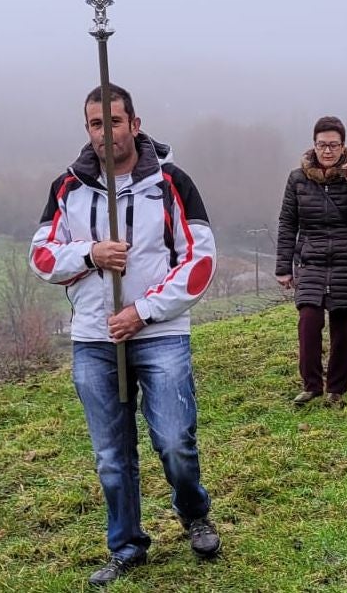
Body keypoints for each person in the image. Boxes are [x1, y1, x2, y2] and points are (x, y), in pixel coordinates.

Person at [29, 85, 219, 586]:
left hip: (160, 333)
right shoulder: (67, 187)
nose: (105, 132)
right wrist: (91, 253)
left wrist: (144, 310)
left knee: (175, 440)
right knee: (112, 457)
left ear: (135, 124)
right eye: (95, 124)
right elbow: (42, 256)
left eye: (114, 121)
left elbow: (200, 261)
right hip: (94, 338)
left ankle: (193, 510)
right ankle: (127, 545)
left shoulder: (171, 182)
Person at [276, 116, 347, 409]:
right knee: (308, 323)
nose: (327, 151)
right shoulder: (298, 178)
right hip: (311, 261)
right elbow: (288, 223)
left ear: (343, 146)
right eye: (322, 145)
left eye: (333, 145)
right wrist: (283, 267)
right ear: (314, 145)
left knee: (343, 328)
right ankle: (311, 385)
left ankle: (336, 389)